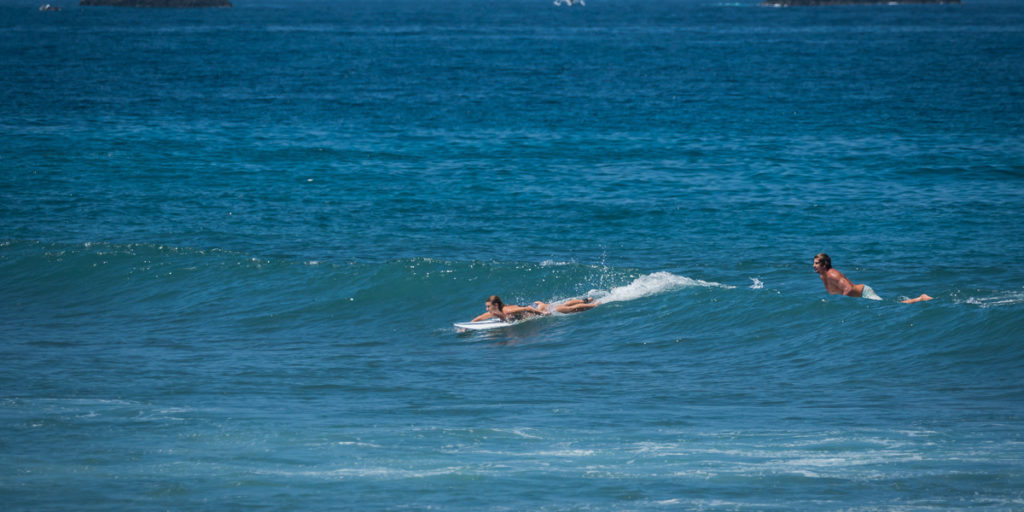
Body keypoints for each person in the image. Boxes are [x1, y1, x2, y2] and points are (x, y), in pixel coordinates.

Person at [813, 253, 932, 304]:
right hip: (860, 297)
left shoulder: (832, 274)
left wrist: (845, 303)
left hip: (865, 293)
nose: (814, 265)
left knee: (893, 306)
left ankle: (920, 298)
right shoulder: (823, 276)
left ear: (824, 265)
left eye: (817, 263)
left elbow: (848, 289)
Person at [471, 295, 599, 322]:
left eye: (488, 306)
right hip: (535, 305)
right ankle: (585, 299)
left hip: (538, 307)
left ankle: (594, 304)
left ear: (496, 305)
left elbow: (527, 308)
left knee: (568, 309)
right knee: (564, 305)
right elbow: (479, 318)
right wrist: (467, 326)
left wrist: (542, 314)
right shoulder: (495, 312)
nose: (487, 309)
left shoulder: (507, 311)